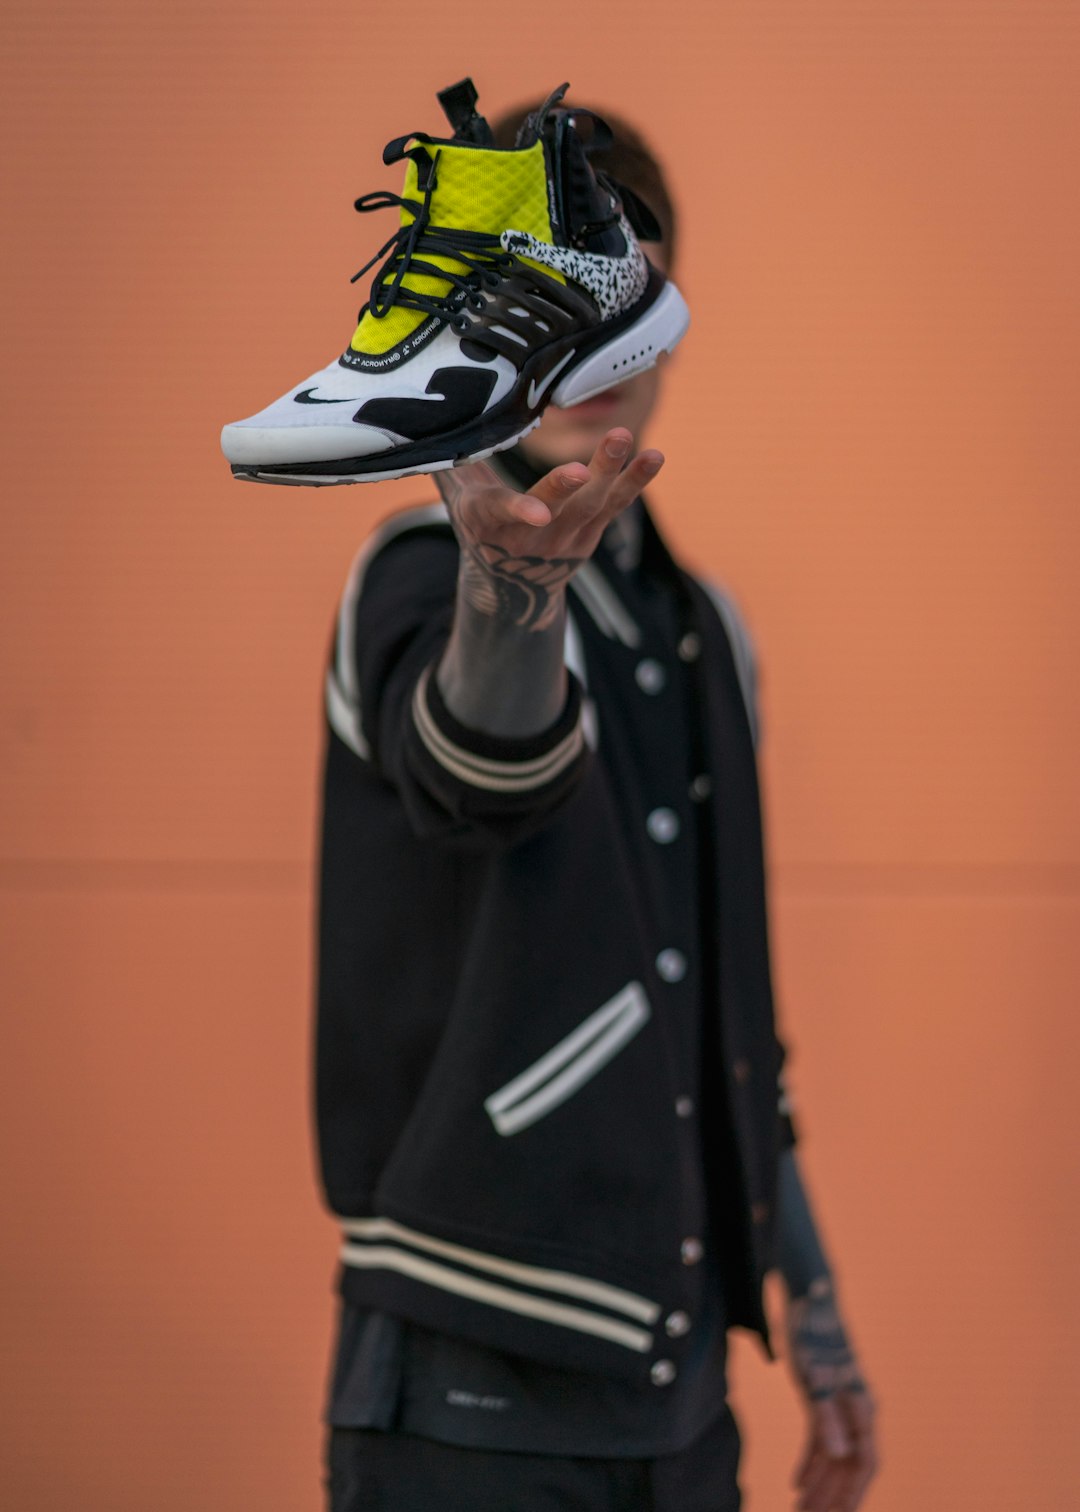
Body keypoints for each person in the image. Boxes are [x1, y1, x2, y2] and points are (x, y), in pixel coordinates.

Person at [314, 97, 879, 1512]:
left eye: (627, 302)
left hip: (680, 1398)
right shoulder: (414, 573)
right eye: (548, 302)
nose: (596, 350)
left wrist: (811, 1304)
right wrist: (511, 593)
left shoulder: (706, 627)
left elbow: (727, 1014)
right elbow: (480, 770)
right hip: (467, 1389)